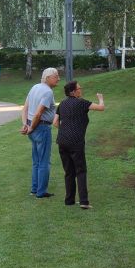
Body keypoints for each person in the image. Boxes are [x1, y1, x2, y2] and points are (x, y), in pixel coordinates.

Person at [53, 81, 105, 209]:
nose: (80, 90)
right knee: (80, 171)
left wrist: (65, 130)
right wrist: (101, 98)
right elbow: (101, 108)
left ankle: (69, 200)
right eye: (79, 88)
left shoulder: (62, 104)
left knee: (69, 171)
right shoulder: (81, 103)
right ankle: (84, 202)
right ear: (73, 91)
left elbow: (55, 122)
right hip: (76, 141)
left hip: (62, 141)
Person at [20, 67, 59, 199]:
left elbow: (25, 108)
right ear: (48, 78)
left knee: (36, 160)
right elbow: (38, 113)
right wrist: (30, 127)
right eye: (56, 76)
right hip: (41, 128)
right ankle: (41, 192)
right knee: (44, 162)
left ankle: (34, 189)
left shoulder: (35, 87)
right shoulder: (48, 92)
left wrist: (25, 124)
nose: (58, 78)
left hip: (32, 126)